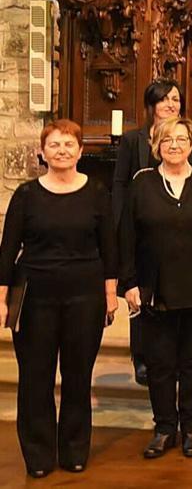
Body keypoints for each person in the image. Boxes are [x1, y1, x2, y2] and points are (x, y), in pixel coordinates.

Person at [0, 120, 118, 478]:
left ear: (80, 151)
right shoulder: (26, 195)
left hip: (85, 296)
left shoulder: (97, 193)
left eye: (68, 144)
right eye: (54, 144)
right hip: (34, 298)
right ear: (42, 152)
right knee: (35, 378)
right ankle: (38, 455)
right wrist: (2, 299)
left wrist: (110, 294)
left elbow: (110, 248)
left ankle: (74, 450)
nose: (62, 150)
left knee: (77, 376)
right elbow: (7, 251)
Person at [120, 117, 192, 459]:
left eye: (181, 139)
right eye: (167, 139)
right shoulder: (142, 183)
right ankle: (164, 428)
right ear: (156, 145)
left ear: (191, 145)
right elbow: (126, 236)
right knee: (160, 362)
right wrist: (129, 283)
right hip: (156, 288)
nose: (174, 145)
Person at [113, 78, 192, 386]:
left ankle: (172, 355)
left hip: (176, 232)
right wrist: (121, 222)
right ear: (152, 105)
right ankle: (142, 357)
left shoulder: (187, 139)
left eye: (175, 99)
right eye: (164, 99)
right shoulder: (132, 140)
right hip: (141, 229)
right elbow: (120, 184)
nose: (170, 104)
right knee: (141, 295)